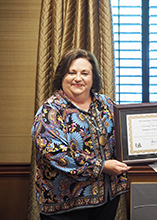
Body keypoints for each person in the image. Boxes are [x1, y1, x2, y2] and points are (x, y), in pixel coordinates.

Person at [31, 48, 131, 220]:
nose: (78, 78)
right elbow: (55, 153)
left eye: (85, 73)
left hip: (107, 199)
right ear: (62, 76)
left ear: (93, 78)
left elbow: (129, 133)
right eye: (72, 73)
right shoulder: (50, 110)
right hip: (64, 206)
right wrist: (102, 167)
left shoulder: (106, 104)